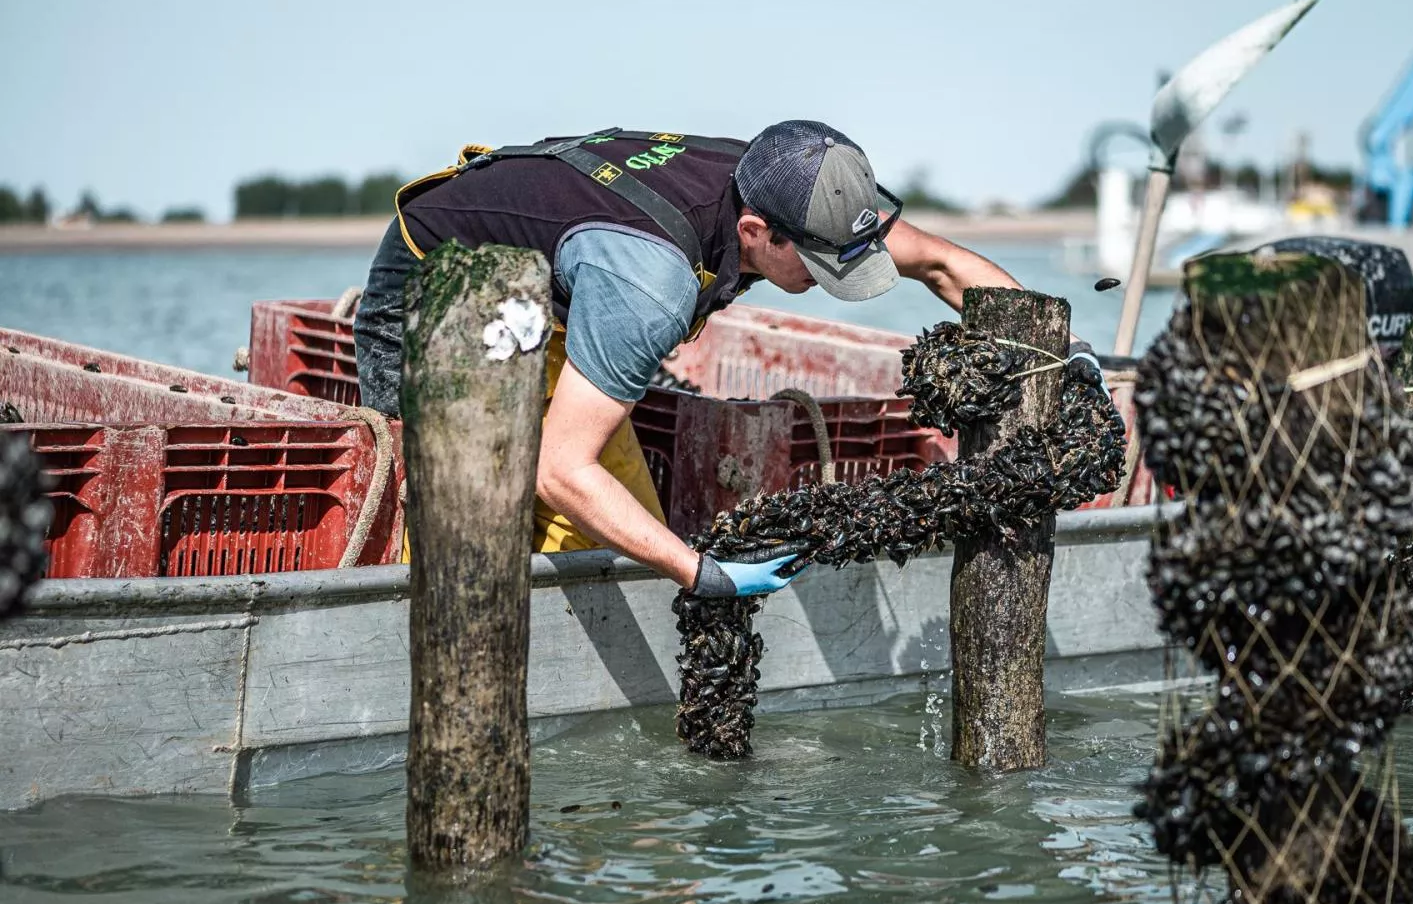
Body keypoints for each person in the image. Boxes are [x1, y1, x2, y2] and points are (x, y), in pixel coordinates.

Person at [354, 121, 1096, 599]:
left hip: (560, 283)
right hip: (441, 298)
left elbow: (934, 263)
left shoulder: (791, 177)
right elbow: (561, 469)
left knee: (613, 536)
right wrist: (699, 572)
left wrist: (1057, 354)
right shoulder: (652, 287)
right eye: (816, 266)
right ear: (754, 229)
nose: (827, 286)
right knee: (467, 536)